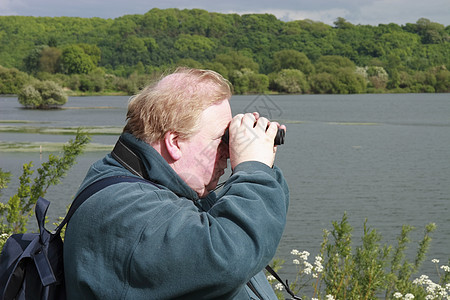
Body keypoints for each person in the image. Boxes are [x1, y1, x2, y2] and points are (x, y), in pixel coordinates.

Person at [64, 67, 289, 299]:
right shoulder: (126, 211)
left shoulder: (155, 182)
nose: (230, 153)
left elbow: (241, 230)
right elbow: (229, 256)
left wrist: (264, 167)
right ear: (175, 142)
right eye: (222, 140)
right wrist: (253, 169)